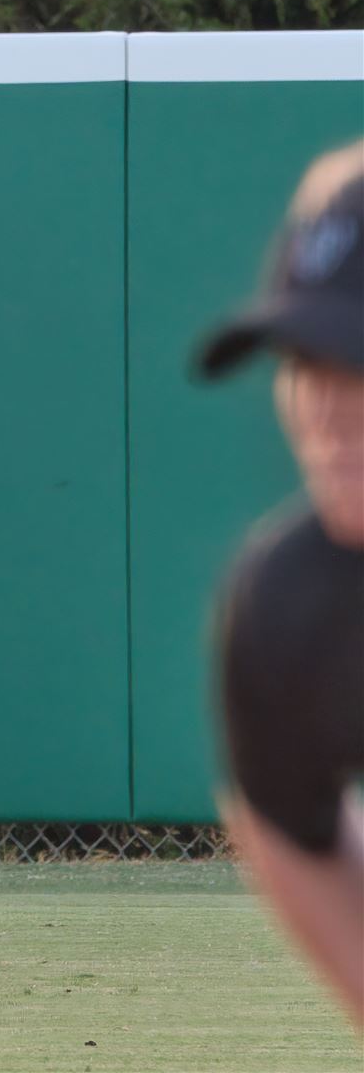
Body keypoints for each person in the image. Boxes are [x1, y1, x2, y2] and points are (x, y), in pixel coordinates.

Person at [195, 138, 364, 1031]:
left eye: (357, 359)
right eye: (304, 360)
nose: (324, 405)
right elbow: (283, 814)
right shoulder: (290, 614)